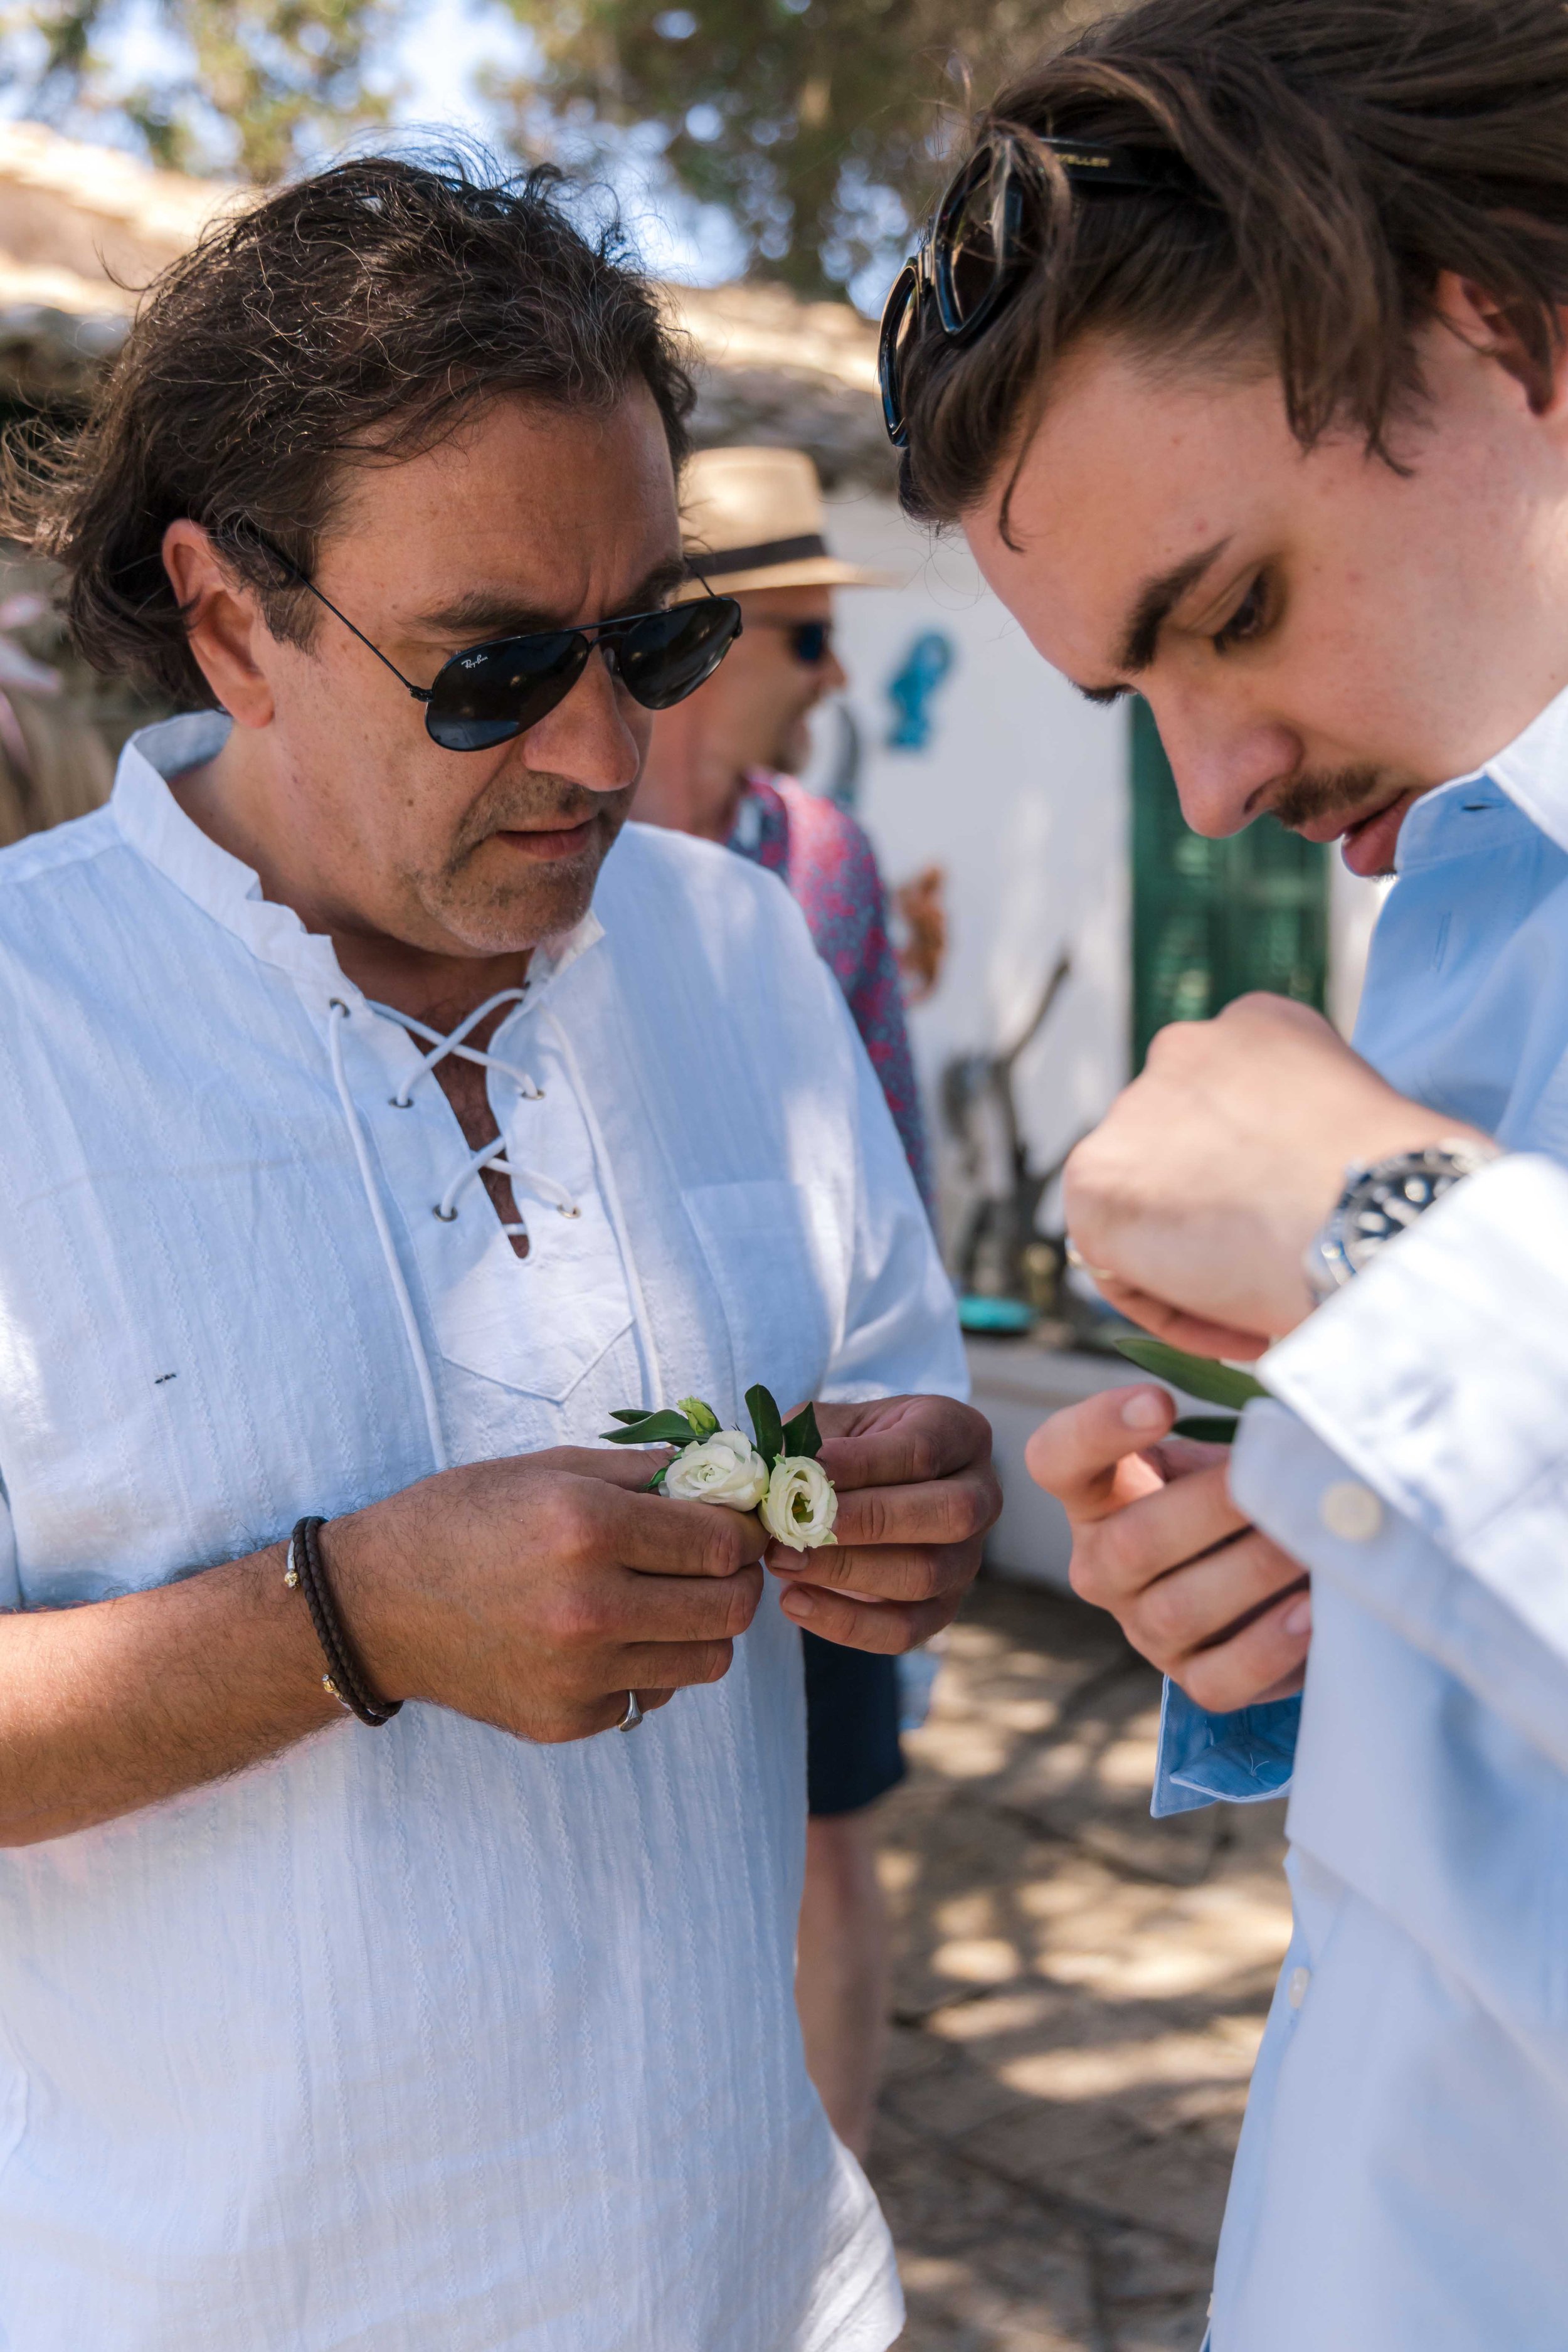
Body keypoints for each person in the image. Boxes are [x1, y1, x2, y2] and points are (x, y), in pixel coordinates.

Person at [0, 154, 1002, 2350]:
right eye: (492, 671)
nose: (601, 748)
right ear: (230, 614)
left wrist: (923, 1496)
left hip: (746, 2288)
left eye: (651, 638)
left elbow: (901, 1399)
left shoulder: (733, 948)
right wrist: (339, 1622)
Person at [884, 2, 1568, 2344]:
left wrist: (1383, 1235)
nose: (1207, 791)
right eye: (1132, 695)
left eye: (1235, 608)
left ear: (1499, 328)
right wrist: (1316, 1591)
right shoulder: (1478, 894)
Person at [636, 444, 929, 2158]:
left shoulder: (824, 863)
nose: (830, 677)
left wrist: (911, 1406)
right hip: (622, 1441)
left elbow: (885, 1141)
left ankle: (837, 2230)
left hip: (802, 1440)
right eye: (806, 637)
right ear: (709, 635)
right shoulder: (553, 864)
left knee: (827, 1834)